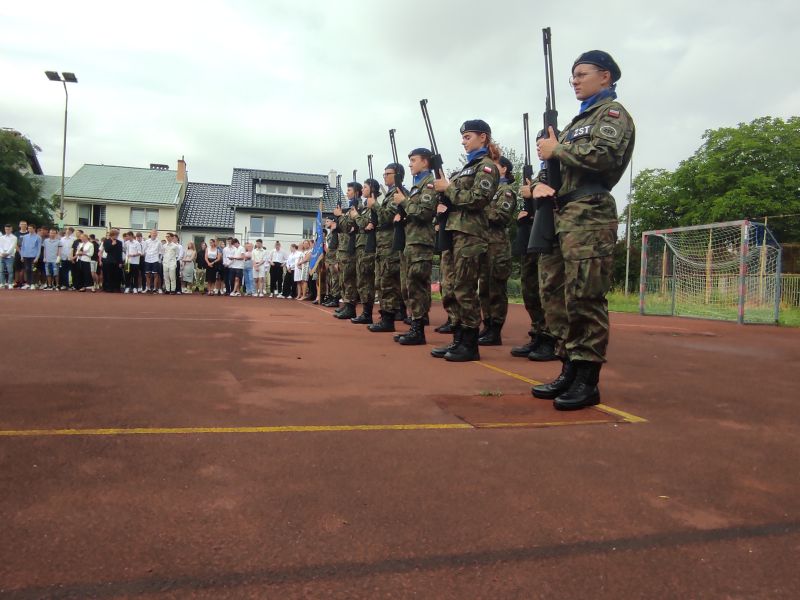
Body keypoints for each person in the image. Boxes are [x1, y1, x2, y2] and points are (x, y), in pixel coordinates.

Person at [530, 50, 635, 410]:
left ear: (605, 76)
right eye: (572, 76)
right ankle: (569, 368)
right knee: (555, 294)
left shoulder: (612, 114)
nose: (574, 80)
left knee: (584, 296)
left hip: (589, 212)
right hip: (561, 214)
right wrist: (540, 182)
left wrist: (557, 149)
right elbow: (553, 170)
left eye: (581, 74)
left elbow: (604, 156)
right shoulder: (574, 124)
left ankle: (587, 379)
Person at [432, 120, 500, 361]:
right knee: (451, 287)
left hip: (470, 235)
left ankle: (470, 344)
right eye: (462, 137)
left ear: (483, 137)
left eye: (468, 136)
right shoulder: (465, 169)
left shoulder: (487, 167)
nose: (463, 141)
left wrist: (449, 189)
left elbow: (478, 199)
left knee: (465, 288)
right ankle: (458, 339)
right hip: (454, 232)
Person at [393, 148, 436, 346]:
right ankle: (415, 326)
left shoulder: (429, 184)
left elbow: (424, 213)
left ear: (425, 162)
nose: (410, 164)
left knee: (417, 285)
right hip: (412, 241)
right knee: (410, 285)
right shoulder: (417, 185)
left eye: (413, 160)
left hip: (421, 242)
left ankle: (418, 330)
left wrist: (404, 202)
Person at [477, 156, 516, 345]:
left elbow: (501, 215)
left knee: (496, 289)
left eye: (496, 165)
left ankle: (496, 330)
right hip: (484, 244)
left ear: (504, 169)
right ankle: (487, 325)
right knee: (483, 288)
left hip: (498, 246)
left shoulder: (505, 191)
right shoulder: (489, 189)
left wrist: (480, 209)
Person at [368, 166, 403, 332]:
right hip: (382, 245)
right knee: (381, 282)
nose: (385, 176)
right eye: (384, 174)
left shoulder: (398, 192)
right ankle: (385, 316)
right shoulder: (390, 194)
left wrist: (374, 205)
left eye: (388, 174)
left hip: (390, 245)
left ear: (397, 175)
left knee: (388, 282)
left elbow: (386, 217)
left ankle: (389, 319)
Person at [349, 179, 379, 323]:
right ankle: (365, 312)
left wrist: (357, 216)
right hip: (361, 246)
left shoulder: (374, 206)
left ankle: (367, 314)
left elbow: (366, 224)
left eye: (365, 187)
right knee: (361, 281)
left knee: (366, 281)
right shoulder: (366, 208)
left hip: (368, 247)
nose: (363, 190)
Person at [332, 183, 361, 319]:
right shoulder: (350, 209)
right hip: (344, 248)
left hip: (350, 248)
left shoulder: (357, 207)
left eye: (349, 190)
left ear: (356, 192)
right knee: (344, 279)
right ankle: (346, 304)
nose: (347, 192)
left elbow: (348, 227)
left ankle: (350, 306)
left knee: (349, 279)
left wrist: (340, 216)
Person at [321, 218, 341, 307]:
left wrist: (337, 261)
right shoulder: (330, 234)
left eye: (327, 221)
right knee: (330, 280)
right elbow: (329, 249)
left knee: (335, 280)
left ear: (333, 222)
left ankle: (335, 299)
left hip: (335, 259)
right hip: (329, 260)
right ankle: (332, 297)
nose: (325, 223)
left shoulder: (337, 233)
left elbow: (339, 247)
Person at [19, 224, 42, 289]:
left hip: (33, 256)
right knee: (27, 270)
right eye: (28, 228)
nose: (29, 230)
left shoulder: (38, 237)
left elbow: (39, 248)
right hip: (26, 256)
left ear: (34, 229)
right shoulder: (25, 237)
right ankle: (28, 283)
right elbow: (22, 247)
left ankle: (33, 283)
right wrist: (22, 256)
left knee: (33, 270)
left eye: (31, 228)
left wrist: (37, 257)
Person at [0, 224, 17, 289]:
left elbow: (12, 246)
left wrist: (7, 253)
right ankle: (2, 283)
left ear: (11, 229)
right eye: (6, 229)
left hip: (10, 256)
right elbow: (0, 246)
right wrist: (2, 253)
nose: (7, 230)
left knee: (10, 271)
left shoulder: (14, 237)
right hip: (2, 255)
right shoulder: (2, 237)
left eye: (8, 229)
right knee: (1, 271)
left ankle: (10, 283)